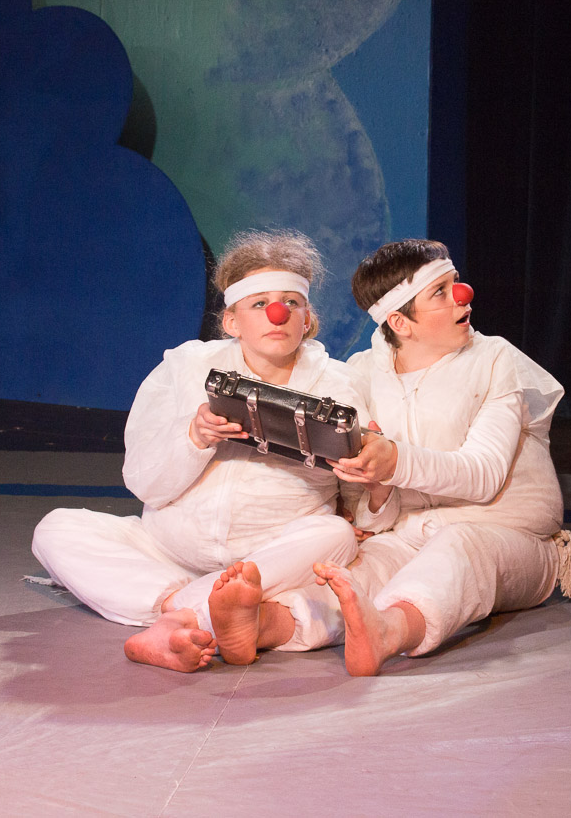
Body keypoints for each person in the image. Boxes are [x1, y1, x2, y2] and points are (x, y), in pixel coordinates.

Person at [237, 239, 571, 675]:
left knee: (461, 546)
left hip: (514, 537)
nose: (463, 295)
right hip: (409, 535)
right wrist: (377, 487)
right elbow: (372, 516)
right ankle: (266, 624)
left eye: (455, 283)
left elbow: (485, 476)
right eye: (440, 291)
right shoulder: (361, 375)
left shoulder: (495, 360)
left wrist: (395, 461)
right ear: (400, 322)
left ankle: (390, 631)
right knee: (361, 571)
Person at [30, 229, 365, 671]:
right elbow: (144, 484)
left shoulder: (342, 387)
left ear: (307, 319)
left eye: (291, 302)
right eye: (259, 304)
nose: (278, 314)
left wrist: (363, 490)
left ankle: (175, 624)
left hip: (267, 562)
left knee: (336, 536)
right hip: (167, 554)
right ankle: (188, 609)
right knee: (56, 528)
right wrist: (195, 437)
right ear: (231, 322)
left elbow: (361, 499)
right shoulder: (185, 366)